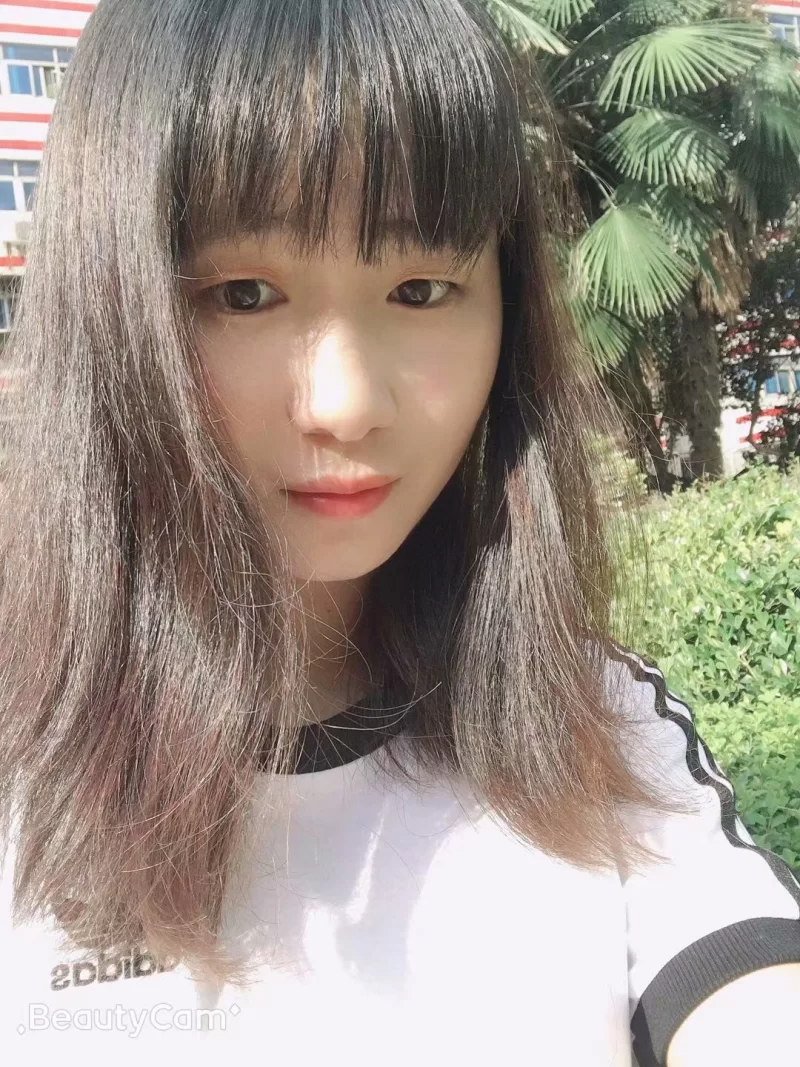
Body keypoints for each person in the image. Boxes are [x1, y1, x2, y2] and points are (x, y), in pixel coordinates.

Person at [0, 0, 797, 1064]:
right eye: (244, 293)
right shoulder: (24, 764)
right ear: (109, 305)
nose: (345, 404)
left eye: (421, 289)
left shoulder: (597, 725)